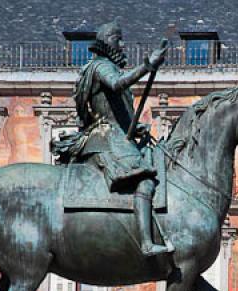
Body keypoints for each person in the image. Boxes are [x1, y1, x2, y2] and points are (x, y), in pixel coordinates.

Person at [54, 21, 172, 256]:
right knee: (145, 180)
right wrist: (147, 65)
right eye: (118, 39)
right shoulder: (100, 66)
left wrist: (135, 127)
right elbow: (118, 85)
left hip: (116, 133)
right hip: (105, 137)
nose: (122, 44)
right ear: (108, 40)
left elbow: (115, 109)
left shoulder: (106, 67)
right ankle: (147, 243)